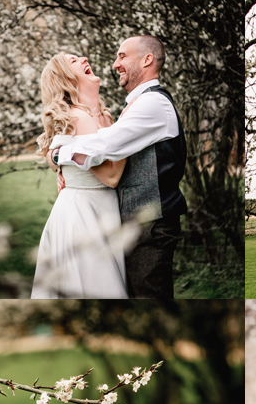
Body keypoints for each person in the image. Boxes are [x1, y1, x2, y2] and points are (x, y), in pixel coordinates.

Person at [51, 35, 188, 299]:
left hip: (151, 226)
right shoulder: (137, 104)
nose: (115, 64)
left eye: (122, 56)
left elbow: (103, 146)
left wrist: (59, 155)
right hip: (135, 225)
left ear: (147, 60)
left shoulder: (153, 104)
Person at [31, 52, 130, 299]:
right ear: (65, 78)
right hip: (83, 215)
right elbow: (111, 176)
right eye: (74, 60)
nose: (85, 58)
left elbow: (57, 156)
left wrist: (57, 159)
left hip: (102, 209)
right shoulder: (78, 117)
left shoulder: (105, 116)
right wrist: (130, 132)